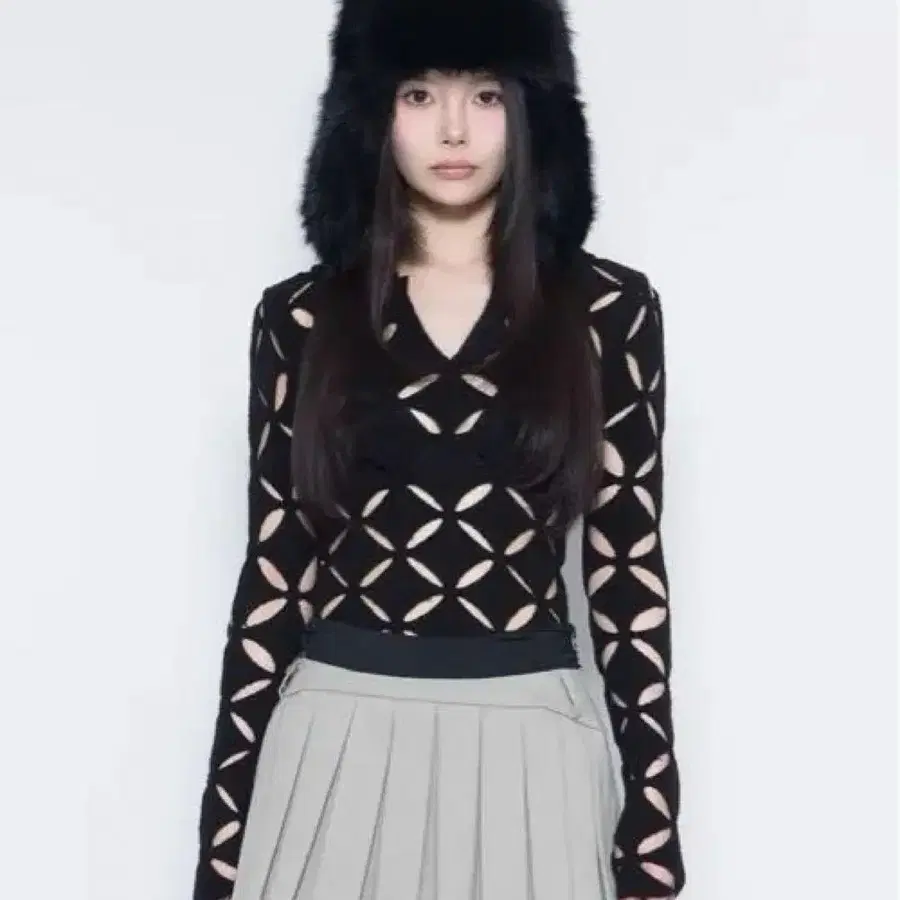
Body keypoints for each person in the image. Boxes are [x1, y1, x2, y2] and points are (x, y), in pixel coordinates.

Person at [191, 1, 686, 898]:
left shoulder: (609, 311)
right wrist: (222, 844)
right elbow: (275, 572)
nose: (454, 128)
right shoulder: (301, 317)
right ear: (370, 113)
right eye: (418, 94)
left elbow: (627, 570)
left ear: (533, 111)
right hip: (333, 740)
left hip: (534, 746)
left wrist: (652, 823)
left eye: (486, 95)